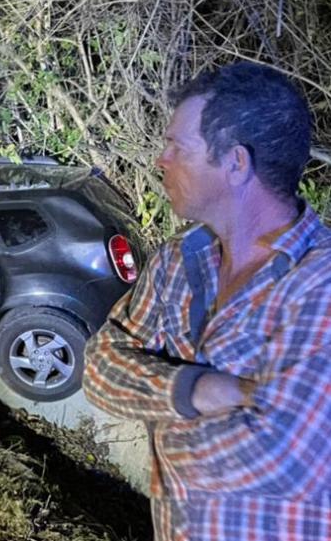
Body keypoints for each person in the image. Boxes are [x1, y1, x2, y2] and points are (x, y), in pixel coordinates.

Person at [83, 62, 331, 541]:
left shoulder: (320, 280)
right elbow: (98, 368)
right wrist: (193, 391)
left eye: (179, 146)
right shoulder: (179, 260)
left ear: (236, 163)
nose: (161, 159)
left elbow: (281, 458)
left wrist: (159, 412)